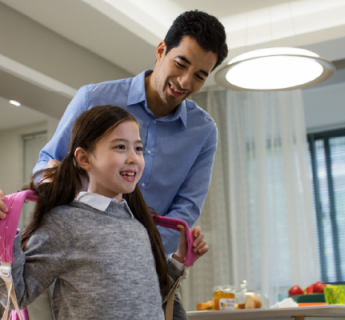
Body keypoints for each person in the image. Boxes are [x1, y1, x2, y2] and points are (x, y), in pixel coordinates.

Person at [0, 9, 228, 317]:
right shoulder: (92, 98)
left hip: (150, 260)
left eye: (200, 75)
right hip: (81, 265)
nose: (185, 81)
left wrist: (147, 254)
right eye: (181, 63)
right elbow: (47, 166)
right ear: (161, 51)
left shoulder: (204, 131)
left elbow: (186, 208)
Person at [0, 106, 207, 320]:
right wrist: (2, 234)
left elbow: (147, 299)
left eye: (138, 148)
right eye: (120, 147)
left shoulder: (136, 225)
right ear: (84, 159)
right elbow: (15, 294)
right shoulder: (64, 223)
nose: (134, 158)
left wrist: (179, 260)